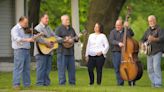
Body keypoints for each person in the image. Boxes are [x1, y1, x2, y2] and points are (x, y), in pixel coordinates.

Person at [34, 13, 63, 86]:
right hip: (40, 51)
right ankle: (39, 83)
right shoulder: (37, 28)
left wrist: (63, 39)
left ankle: (46, 83)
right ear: (41, 19)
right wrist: (46, 42)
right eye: (46, 18)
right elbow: (37, 38)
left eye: (48, 18)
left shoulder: (48, 28)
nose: (47, 20)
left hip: (48, 51)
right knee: (41, 68)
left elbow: (54, 36)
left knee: (47, 69)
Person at [109, 19, 135, 86]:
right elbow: (111, 40)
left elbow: (132, 34)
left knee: (129, 67)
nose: (117, 26)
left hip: (126, 52)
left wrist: (128, 27)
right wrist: (118, 43)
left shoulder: (126, 30)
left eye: (119, 25)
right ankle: (120, 83)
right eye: (116, 25)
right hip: (117, 52)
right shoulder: (113, 32)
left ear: (122, 25)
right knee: (117, 67)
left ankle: (131, 82)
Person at [11, 16, 34, 89]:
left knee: (26, 68)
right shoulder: (15, 29)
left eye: (27, 23)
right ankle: (16, 84)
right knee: (18, 67)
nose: (27, 24)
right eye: (25, 23)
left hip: (27, 50)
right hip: (19, 50)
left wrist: (35, 36)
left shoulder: (26, 29)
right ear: (20, 22)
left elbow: (31, 37)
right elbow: (16, 38)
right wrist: (28, 40)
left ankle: (27, 84)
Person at [141, 15, 164, 88]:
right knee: (150, 69)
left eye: (152, 20)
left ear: (155, 20)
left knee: (156, 66)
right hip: (149, 52)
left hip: (157, 51)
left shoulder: (160, 29)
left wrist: (154, 39)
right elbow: (142, 39)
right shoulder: (147, 30)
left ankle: (158, 84)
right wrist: (142, 45)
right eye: (150, 21)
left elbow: (162, 38)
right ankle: (153, 83)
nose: (151, 22)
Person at [55, 15, 79, 85]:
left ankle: (72, 83)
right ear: (62, 21)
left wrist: (76, 39)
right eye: (66, 20)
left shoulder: (72, 29)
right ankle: (62, 83)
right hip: (62, 52)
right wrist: (65, 40)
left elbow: (76, 38)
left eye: (68, 19)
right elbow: (56, 38)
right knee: (62, 68)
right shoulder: (59, 29)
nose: (68, 21)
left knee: (72, 69)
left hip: (71, 52)